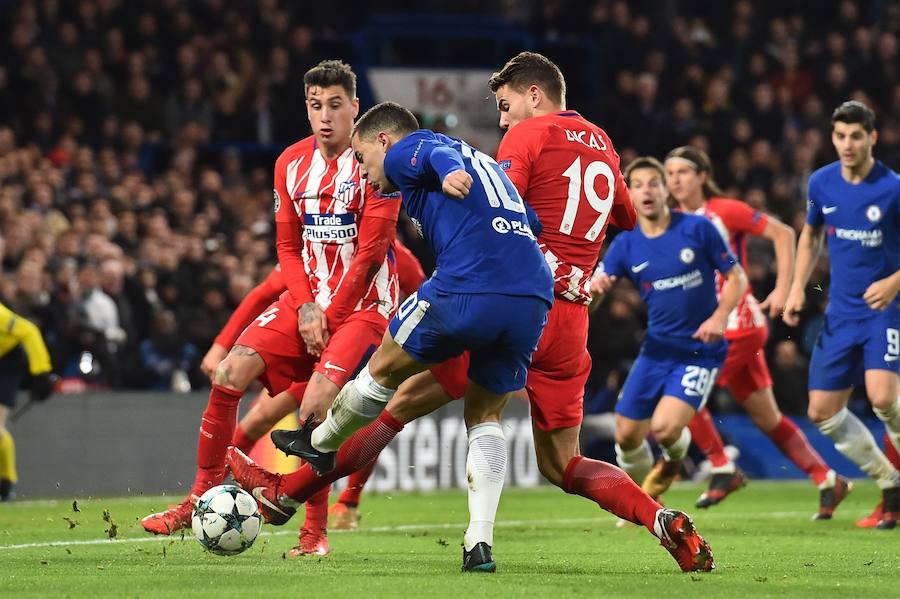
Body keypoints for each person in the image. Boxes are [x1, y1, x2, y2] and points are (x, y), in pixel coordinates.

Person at [229, 53, 717, 574]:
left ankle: (291, 488)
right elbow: (624, 214)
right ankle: (658, 517)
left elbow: (500, 199)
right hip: (568, 318)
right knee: (563, 463)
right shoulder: (601, 142)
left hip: (504, 288)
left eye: (506, 106)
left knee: (400, 397)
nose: (502, 119)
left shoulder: (526, 139)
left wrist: (460, 177)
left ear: (536, 95)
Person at [231, 99, 554, 572]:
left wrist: (444, 175)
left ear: (382, 141)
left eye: (361, 159)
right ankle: (478, 542)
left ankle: (318, 446)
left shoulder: (409, 147)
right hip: (530, 297)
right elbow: (533, 221)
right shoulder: (486, 163)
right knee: (485, 415)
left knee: (384, 364)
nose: (362, 173)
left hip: (469, 286)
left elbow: (427, 155)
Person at [140, 61, 401, 557]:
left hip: (364, 308)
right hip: (306, 303)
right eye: (315, 105)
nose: (324, 116)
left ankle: (314, 533)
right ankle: (198, 499)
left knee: (319, 408)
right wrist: (306, 308)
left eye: (335, 105)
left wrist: (331, 314)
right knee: (229, 374)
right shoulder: (289, 163)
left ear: (355, 108)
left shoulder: (376, 163)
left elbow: (370, 254)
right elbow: (287, 248)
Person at [665, 145, 850, 519]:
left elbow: (782, 233)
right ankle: (827, 478)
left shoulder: (725, 210)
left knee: (682, 391)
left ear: (703, 176)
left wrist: (783, 288)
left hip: (738, 326)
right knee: (766, 417)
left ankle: (721, 466)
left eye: (683, 172)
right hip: (719, 329)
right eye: (669, 174)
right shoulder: (674, 221)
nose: (675, 181)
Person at [593, 156, 746, 503]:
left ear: (666, 190)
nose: (646, 191)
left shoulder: (698, 229)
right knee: (627, 435)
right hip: (656, 350)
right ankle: (647, 501)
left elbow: (736, 278)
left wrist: (720, 317)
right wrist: (596, 292)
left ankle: (674, 460)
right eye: (638, 185)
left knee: (663, 428)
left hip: (699, 351)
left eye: (653, 183)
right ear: (629, 195)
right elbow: (596, 293)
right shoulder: (626, 245)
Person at [783, 100, 900, 530]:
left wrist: (894, 282)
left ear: (873, 137)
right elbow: (811, 234)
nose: (847, 144)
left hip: (886, 310)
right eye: (840, 136)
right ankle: (890, 482)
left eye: (855, 136)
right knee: (822, 411)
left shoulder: (892, 188)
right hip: (841, 312)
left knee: (884, 399)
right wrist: (797, 286)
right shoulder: (822, 183)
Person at [0, 302, 57, 501]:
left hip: (7, 363)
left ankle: (6, 481)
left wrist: (41, 371)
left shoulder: (1, 316)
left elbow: (29, 330)